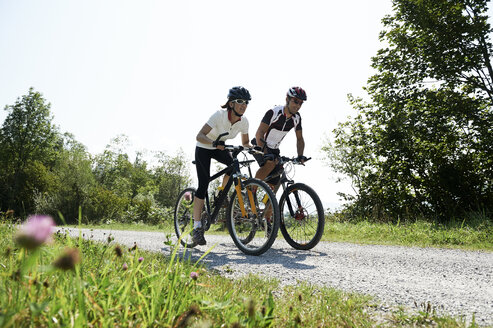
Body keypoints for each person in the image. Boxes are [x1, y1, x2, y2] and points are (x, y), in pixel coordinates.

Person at [192, 86, 252, 245]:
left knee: (234, 164)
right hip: (204, 147)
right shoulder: (219, 116)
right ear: (231, 103)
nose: (243, 105)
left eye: (246, 102)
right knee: (203, 185)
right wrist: (213, 143)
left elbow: (245, 143)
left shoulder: (244, 121)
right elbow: (199, 135)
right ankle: (196, 227)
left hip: (221, 147)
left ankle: (221, 194)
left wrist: (255, 149)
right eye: (240, 101)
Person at [252, 86, 308, 189]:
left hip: (274, 149)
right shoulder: (274, 112)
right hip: (259, 144)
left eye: (301, 103)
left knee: (276, 180)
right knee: (270, 164)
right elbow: (260, 132)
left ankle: (270, 204)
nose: (298, 105)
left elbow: (299, 138)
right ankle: (250, 192)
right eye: (295, 101)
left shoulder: (297, 118)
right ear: (287, 99)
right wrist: (264, 153)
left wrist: (300, 156)